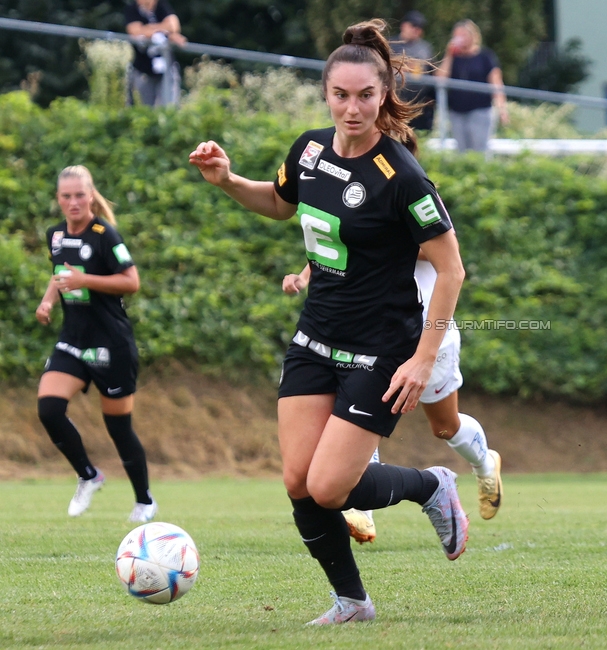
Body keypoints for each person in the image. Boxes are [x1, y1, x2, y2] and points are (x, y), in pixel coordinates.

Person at [189, 19, 469, 625]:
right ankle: (352, 602)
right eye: (340, 95)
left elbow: (451, 270)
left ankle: (431, 486)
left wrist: (423, 358)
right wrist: (229, 181)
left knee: (329, 488)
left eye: (365, 95)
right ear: (326, 94)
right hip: (315, 339)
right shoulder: (309, 150)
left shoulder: (403, 177)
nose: (352, 107)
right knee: (297, 480)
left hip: (381, 350)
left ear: (382, 94)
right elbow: (279, 203)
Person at [283, 255, 503, 543]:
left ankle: (486, 464)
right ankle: (360, 510)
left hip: (429, 334)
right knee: (353, 409)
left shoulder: (414, 210)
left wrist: (386, 235)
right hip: (372, 335)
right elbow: (339, 241)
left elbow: (442, 253)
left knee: (444, 426)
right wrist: (304, 276)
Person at [35, 165, 157, 524]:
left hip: (112, 343)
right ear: (58, 199)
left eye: (79, 195)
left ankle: (144, 500)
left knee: (118, 427)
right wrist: (47, 301)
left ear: (91, 196)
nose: (73, 202)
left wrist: (85, 278)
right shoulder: (55, 235)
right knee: (49, 409)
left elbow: (131, 281)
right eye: (66, 196)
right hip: (72, 339)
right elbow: (60, 275)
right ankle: (89, 475)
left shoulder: (105, 234)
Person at [434, 19, 508, 153]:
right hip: (457, 112)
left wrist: (502, 108)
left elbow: (496, 83)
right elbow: (440, 79)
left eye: (462, 35)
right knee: (461, 153)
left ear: (473, 36)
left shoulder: (485, 56)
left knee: (479, 151)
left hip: (480, 111)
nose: (459, 39)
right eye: (456, 35)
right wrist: (449, 54)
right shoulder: (453, 58)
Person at [124, 0, 187, 107]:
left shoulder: (162, 6)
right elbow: (134, 31)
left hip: (167, 68)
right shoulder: (132, 9)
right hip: (143, 70)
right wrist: (164, 30)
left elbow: (174, 26)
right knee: (144, 111)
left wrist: (148, 29)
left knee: (169, 108)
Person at [389, 10, 435, 131]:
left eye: (420, 27)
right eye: (414, 26)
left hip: (419, 104)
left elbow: (431, 74)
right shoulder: (390, 44)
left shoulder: (425, 48)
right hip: (394, 102)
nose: (417, 30)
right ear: (404, 25)